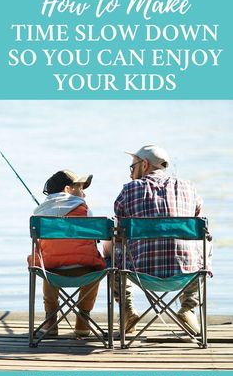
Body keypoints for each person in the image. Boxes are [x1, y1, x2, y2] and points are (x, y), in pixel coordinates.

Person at [114, 144, 212, 335]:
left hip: (140, 274)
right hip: (186, 273)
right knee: (205, 241)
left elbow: (119, 231)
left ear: (144, 164)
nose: (130, 173)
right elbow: (198, 220)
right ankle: (188, 307)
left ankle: (127, 311)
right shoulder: (189, 188)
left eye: (132, 167)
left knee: (112, 247)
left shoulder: (128, 191)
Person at [28, 169, 106, 337]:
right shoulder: (85, 210)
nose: (83, 192)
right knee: (97, 267)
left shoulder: (39, 214)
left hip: (52, 272)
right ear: (67, 189)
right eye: (80, 187)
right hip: (85, 270)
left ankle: (51, 321)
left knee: (46, 264)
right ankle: (83, 321)